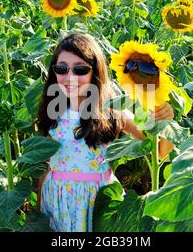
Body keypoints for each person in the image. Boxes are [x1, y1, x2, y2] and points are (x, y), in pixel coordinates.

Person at [35, 33, 175, 232]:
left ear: (95, 72)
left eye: (80, 69)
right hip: (56, 200)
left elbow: (159, 152)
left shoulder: (112, 112)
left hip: (96, 202)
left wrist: (166, 121)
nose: (70, 77)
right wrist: (39, 210)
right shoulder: (53, 112)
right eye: (62, 69)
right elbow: (49, 168)